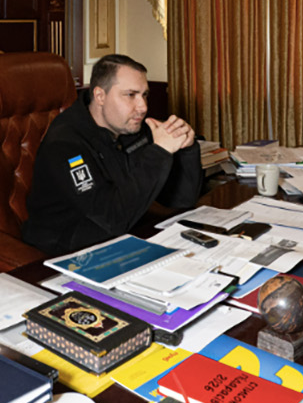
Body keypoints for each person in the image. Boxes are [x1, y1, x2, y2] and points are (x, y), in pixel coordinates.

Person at [22, 53, 203, 255]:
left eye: (144, 95)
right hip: (64, 252)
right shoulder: (65, 144)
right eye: (131, 95)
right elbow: (113, 218)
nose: (143, 107)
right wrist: (159, 152)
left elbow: (180, 200)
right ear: (100, 96)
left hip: (120, 237)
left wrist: (186, 149)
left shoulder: (130, 127)